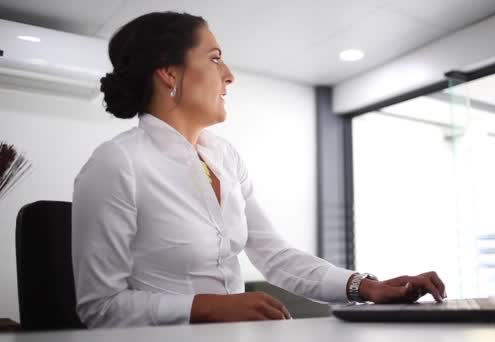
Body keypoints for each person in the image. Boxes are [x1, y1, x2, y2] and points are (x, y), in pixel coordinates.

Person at [71, 11, 447, 329]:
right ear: (170, 73)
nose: (229, 75)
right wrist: (204, 305)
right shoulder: (115, 163)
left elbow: (274, 255)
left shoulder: (224, 157)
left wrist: (363, 287)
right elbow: (99, 307)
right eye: (215, 58)